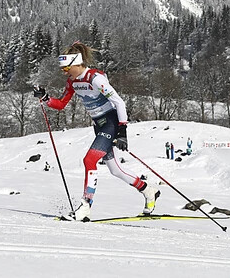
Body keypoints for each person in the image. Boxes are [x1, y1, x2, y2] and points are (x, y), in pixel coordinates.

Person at [34, 42, 160, 221]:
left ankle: (85, 207)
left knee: (89, 160)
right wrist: (46, 98)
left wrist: (122, 130)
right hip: (99, 125)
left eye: (67, 68)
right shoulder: (72, 81)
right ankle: (149, 190)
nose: (65, 72)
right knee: (115, 170)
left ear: (78, 64)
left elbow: (119, 102)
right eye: (63, 69)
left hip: (111, 122)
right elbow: (61, 104)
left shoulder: (95, 78)